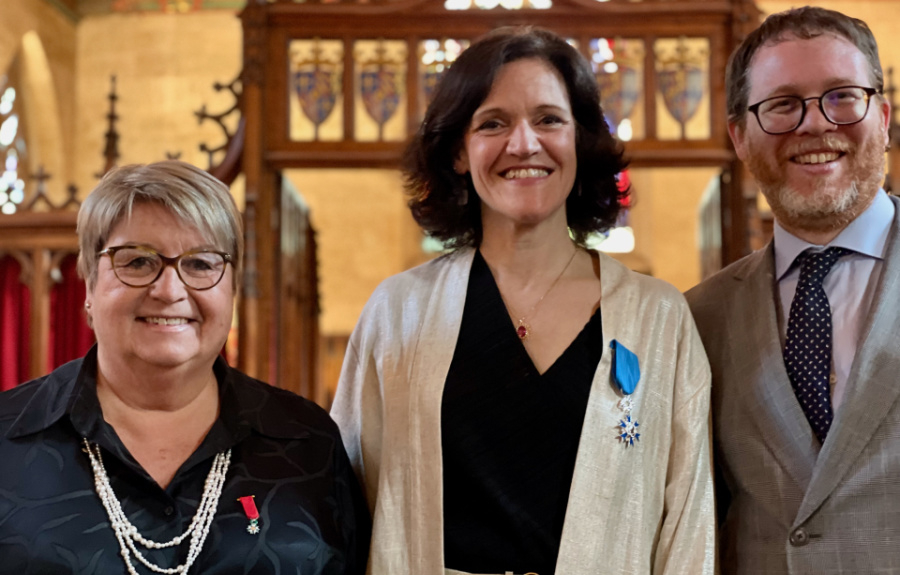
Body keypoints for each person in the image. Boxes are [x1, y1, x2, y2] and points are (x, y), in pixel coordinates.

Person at [331, 27, 715, 575]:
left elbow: (688, 522)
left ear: (580, 141)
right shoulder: (398, 313)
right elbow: (346, 504)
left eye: (548, 119)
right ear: (460, 152)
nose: (524, 144)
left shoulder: (656, 315)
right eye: (493, 123)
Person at [0, 161, 370, 574]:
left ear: (232, 288)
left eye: (201, 264)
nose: (169, 290)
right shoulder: (7, 437)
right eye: (137, 261)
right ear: (88, 286)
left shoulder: (307, 442)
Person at [685, 7, 898, 574]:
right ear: (739, 135)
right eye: (782, 104)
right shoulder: (701, 317)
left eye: (842, 95)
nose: (815, 123)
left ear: (882, 113)